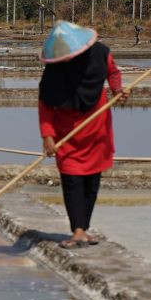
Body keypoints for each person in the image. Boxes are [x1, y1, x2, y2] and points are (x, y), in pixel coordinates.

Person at [38, 21, 128, 249]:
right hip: (66, 135)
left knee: (92, 182)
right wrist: (47, 135)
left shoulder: (100, 54)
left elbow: (113, 72)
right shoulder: (54, 70)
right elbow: (46, 104)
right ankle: (77, 230)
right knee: (72, 181)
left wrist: (118, 90)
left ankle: (82, 230)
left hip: (97, 128)